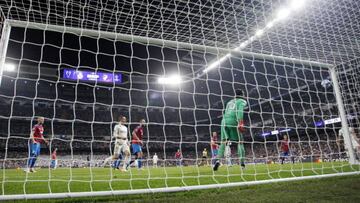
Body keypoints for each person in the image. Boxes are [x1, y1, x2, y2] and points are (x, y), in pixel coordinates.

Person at [213, 89, 247, 171]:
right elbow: (239, 111)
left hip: (224, 121)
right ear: (242, 94)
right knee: (240, 142)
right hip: (233, 121)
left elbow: (226, 112)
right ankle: (242, 164)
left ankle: (218, 161)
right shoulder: (242, 101)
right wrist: (240, 122)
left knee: (223, 143)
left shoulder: (229, 102)